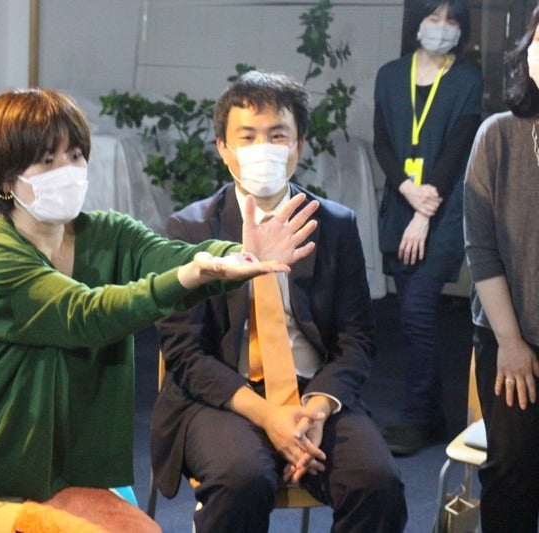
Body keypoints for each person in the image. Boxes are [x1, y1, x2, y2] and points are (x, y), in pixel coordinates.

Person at [0, 87, 320, 532]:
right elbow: (82, 314)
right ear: (4, 179)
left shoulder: (108, 234)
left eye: (76, 155)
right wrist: (190, 275)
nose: (67, 170)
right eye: (47, 161)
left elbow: (172, 256)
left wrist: (236, 254)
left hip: (72, 481)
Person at [150, 70, 407, 532]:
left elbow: (357, 337)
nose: (262, 148)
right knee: (242, 479)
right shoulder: (191, 229)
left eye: (277, 135)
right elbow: (185, 353)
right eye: (247, 137)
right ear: (223, 148)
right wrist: (269, 415)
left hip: (313, 392)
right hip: (223, 397)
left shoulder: (333, 225)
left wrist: (318, 407)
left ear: (299, 146)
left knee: (377, 483)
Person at [373, 0, 482, 455]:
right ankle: (433, 416)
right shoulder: (390, 75)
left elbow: (458, 148)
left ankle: (417, 417)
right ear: (416, 21)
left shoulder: (468, 79)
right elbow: (383, 142)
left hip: (440, 209)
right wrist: (406, 190)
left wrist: (424, 211)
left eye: (452, 20)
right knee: (410, 312)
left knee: (418, 310)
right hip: (401, 203)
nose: (442, 27)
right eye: (434, 18)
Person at [464, 7, 539, 530]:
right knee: (511, 473)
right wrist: (510, 342)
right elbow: (481, 248)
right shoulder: (498, 135)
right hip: (509, 337)